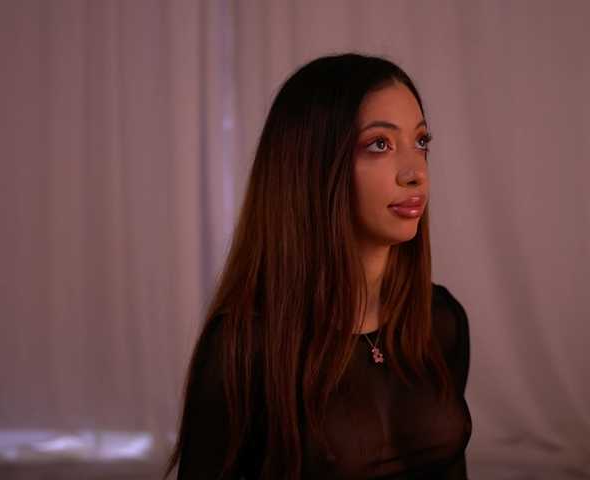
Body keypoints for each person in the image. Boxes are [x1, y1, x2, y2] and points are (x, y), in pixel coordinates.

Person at [165, 53, 472, 480]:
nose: (415, 172)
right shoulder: (245, 346)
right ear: (314, 166)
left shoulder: (441, 320)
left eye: (421, 142)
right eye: (380, 144)